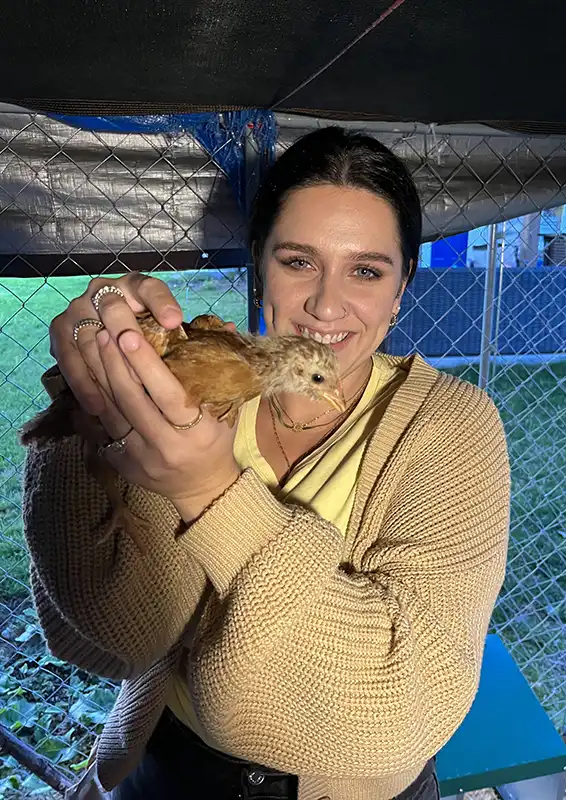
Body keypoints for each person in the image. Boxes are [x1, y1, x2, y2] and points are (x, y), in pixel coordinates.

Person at [23, 127, 510, 800]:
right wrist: (92, 402)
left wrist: (211, 491)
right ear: (259, 262)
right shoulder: (198, 383)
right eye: (298, 261)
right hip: (167, 764)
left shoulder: (450, 427)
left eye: (366, 270)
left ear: (401, 290)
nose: (326, 305)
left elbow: (404, 711)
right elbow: (119, 637)